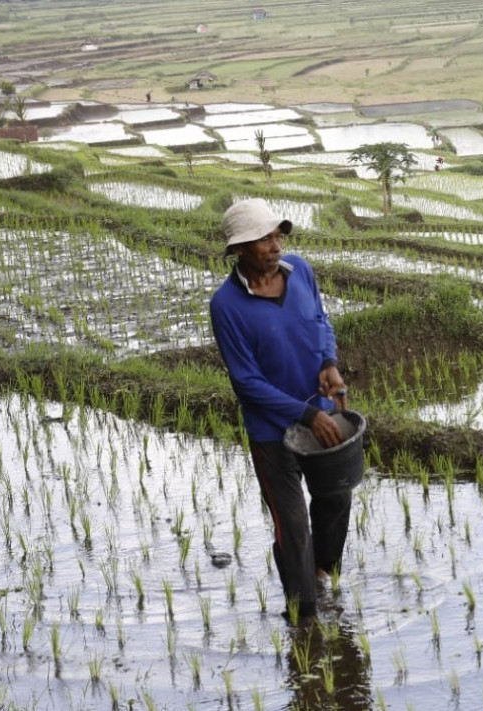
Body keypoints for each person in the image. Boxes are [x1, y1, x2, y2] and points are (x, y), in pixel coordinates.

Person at [209, 198, 352, 619]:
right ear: (239, 249)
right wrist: (308, 415)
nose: (275, 246)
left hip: (318, 412)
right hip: (272, 433)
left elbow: (321, 321)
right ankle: (303, 615)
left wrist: (329, 363)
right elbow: (247, 383)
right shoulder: (226, 306)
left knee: (336, 496)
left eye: (277, 236)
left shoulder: (300, 270)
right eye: (263, 240)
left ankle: (321, 574)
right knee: (292, 525)